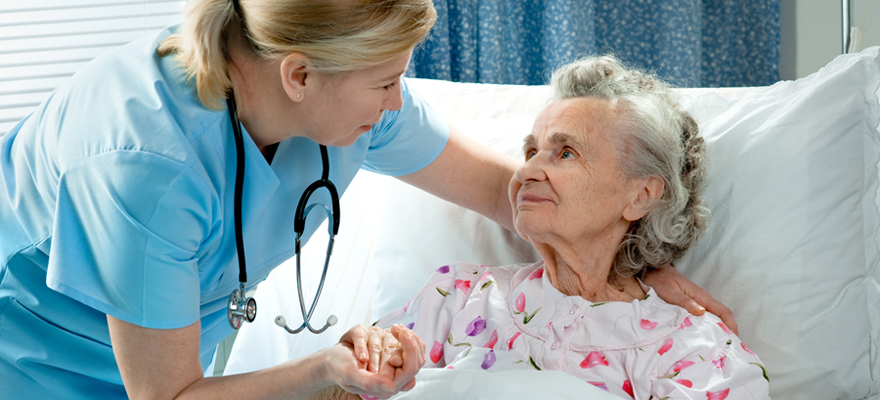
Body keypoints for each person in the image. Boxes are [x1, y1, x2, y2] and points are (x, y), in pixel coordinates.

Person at [0, 0, 735, 398]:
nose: (397, 103)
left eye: (398, 79)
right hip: (30, 363)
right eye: (387, 83)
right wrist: (327, 369)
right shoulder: (143, 163)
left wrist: (640, 265)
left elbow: (504, 193)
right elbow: (169, 396)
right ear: (299, 77)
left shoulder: (685, 345)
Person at [353, 56, 769, 399]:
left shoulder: (698, 352)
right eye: (531, 150)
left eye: (566, 153)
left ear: (641, 196)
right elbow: (342, 389)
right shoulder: (454, 299)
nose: (528, 169)